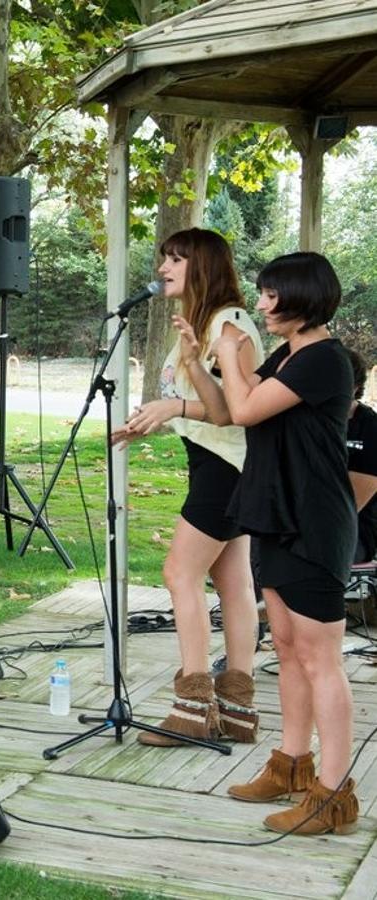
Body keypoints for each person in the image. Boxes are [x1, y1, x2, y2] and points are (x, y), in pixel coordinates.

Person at [212, 252, 358, 835]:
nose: (264, 304)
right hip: (276, 513)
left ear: (303, 297)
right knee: (290, 649)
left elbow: (246, 408)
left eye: (273, 295)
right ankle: (292, 765)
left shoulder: (324, 359)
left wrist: (228, 348)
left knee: (320, 659)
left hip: (314, 521)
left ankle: (334, 794)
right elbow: (230, 406)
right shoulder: (288, 355)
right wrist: (214, 361)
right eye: (263, 294)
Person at [110, 229, 263, 748]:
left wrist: (171, 407)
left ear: (201, 265)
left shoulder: (228, 323)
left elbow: (236, 411)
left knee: (180, 572)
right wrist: (153, 419)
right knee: (233, 583)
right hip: (218, 462)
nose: (162, 269)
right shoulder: (199, 325)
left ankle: (194, 706)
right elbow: (208, 406)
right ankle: (238, 712)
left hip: (229, 464)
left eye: (174, 259)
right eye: (163, 259)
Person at [346, 348, 377, 564]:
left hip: (355, 533)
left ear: (355, 386)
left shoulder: (370, 427)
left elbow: (352, 504)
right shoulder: (307, 423)